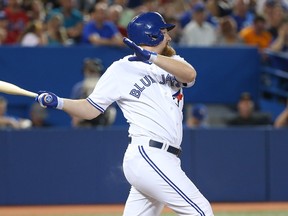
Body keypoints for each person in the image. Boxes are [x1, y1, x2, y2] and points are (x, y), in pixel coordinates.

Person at [35, 11, 214, 216]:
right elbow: (90, 109)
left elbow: (190, 75)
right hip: (149, 153)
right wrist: (58, 102)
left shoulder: (172, 61)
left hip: (165, 157)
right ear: (152, 35)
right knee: (201, 211)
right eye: (164, 32)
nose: (169, 37)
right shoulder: (120, 69)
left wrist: (151, 57)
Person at [70, 57, 116, 127]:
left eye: (93, 71)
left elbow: (111, 105)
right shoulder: (79, 87)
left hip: (101, 114)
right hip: (83, 115)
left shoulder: (105, 87)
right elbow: (72, 106)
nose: (91, 74)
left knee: (112, 112)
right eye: (89, 71)